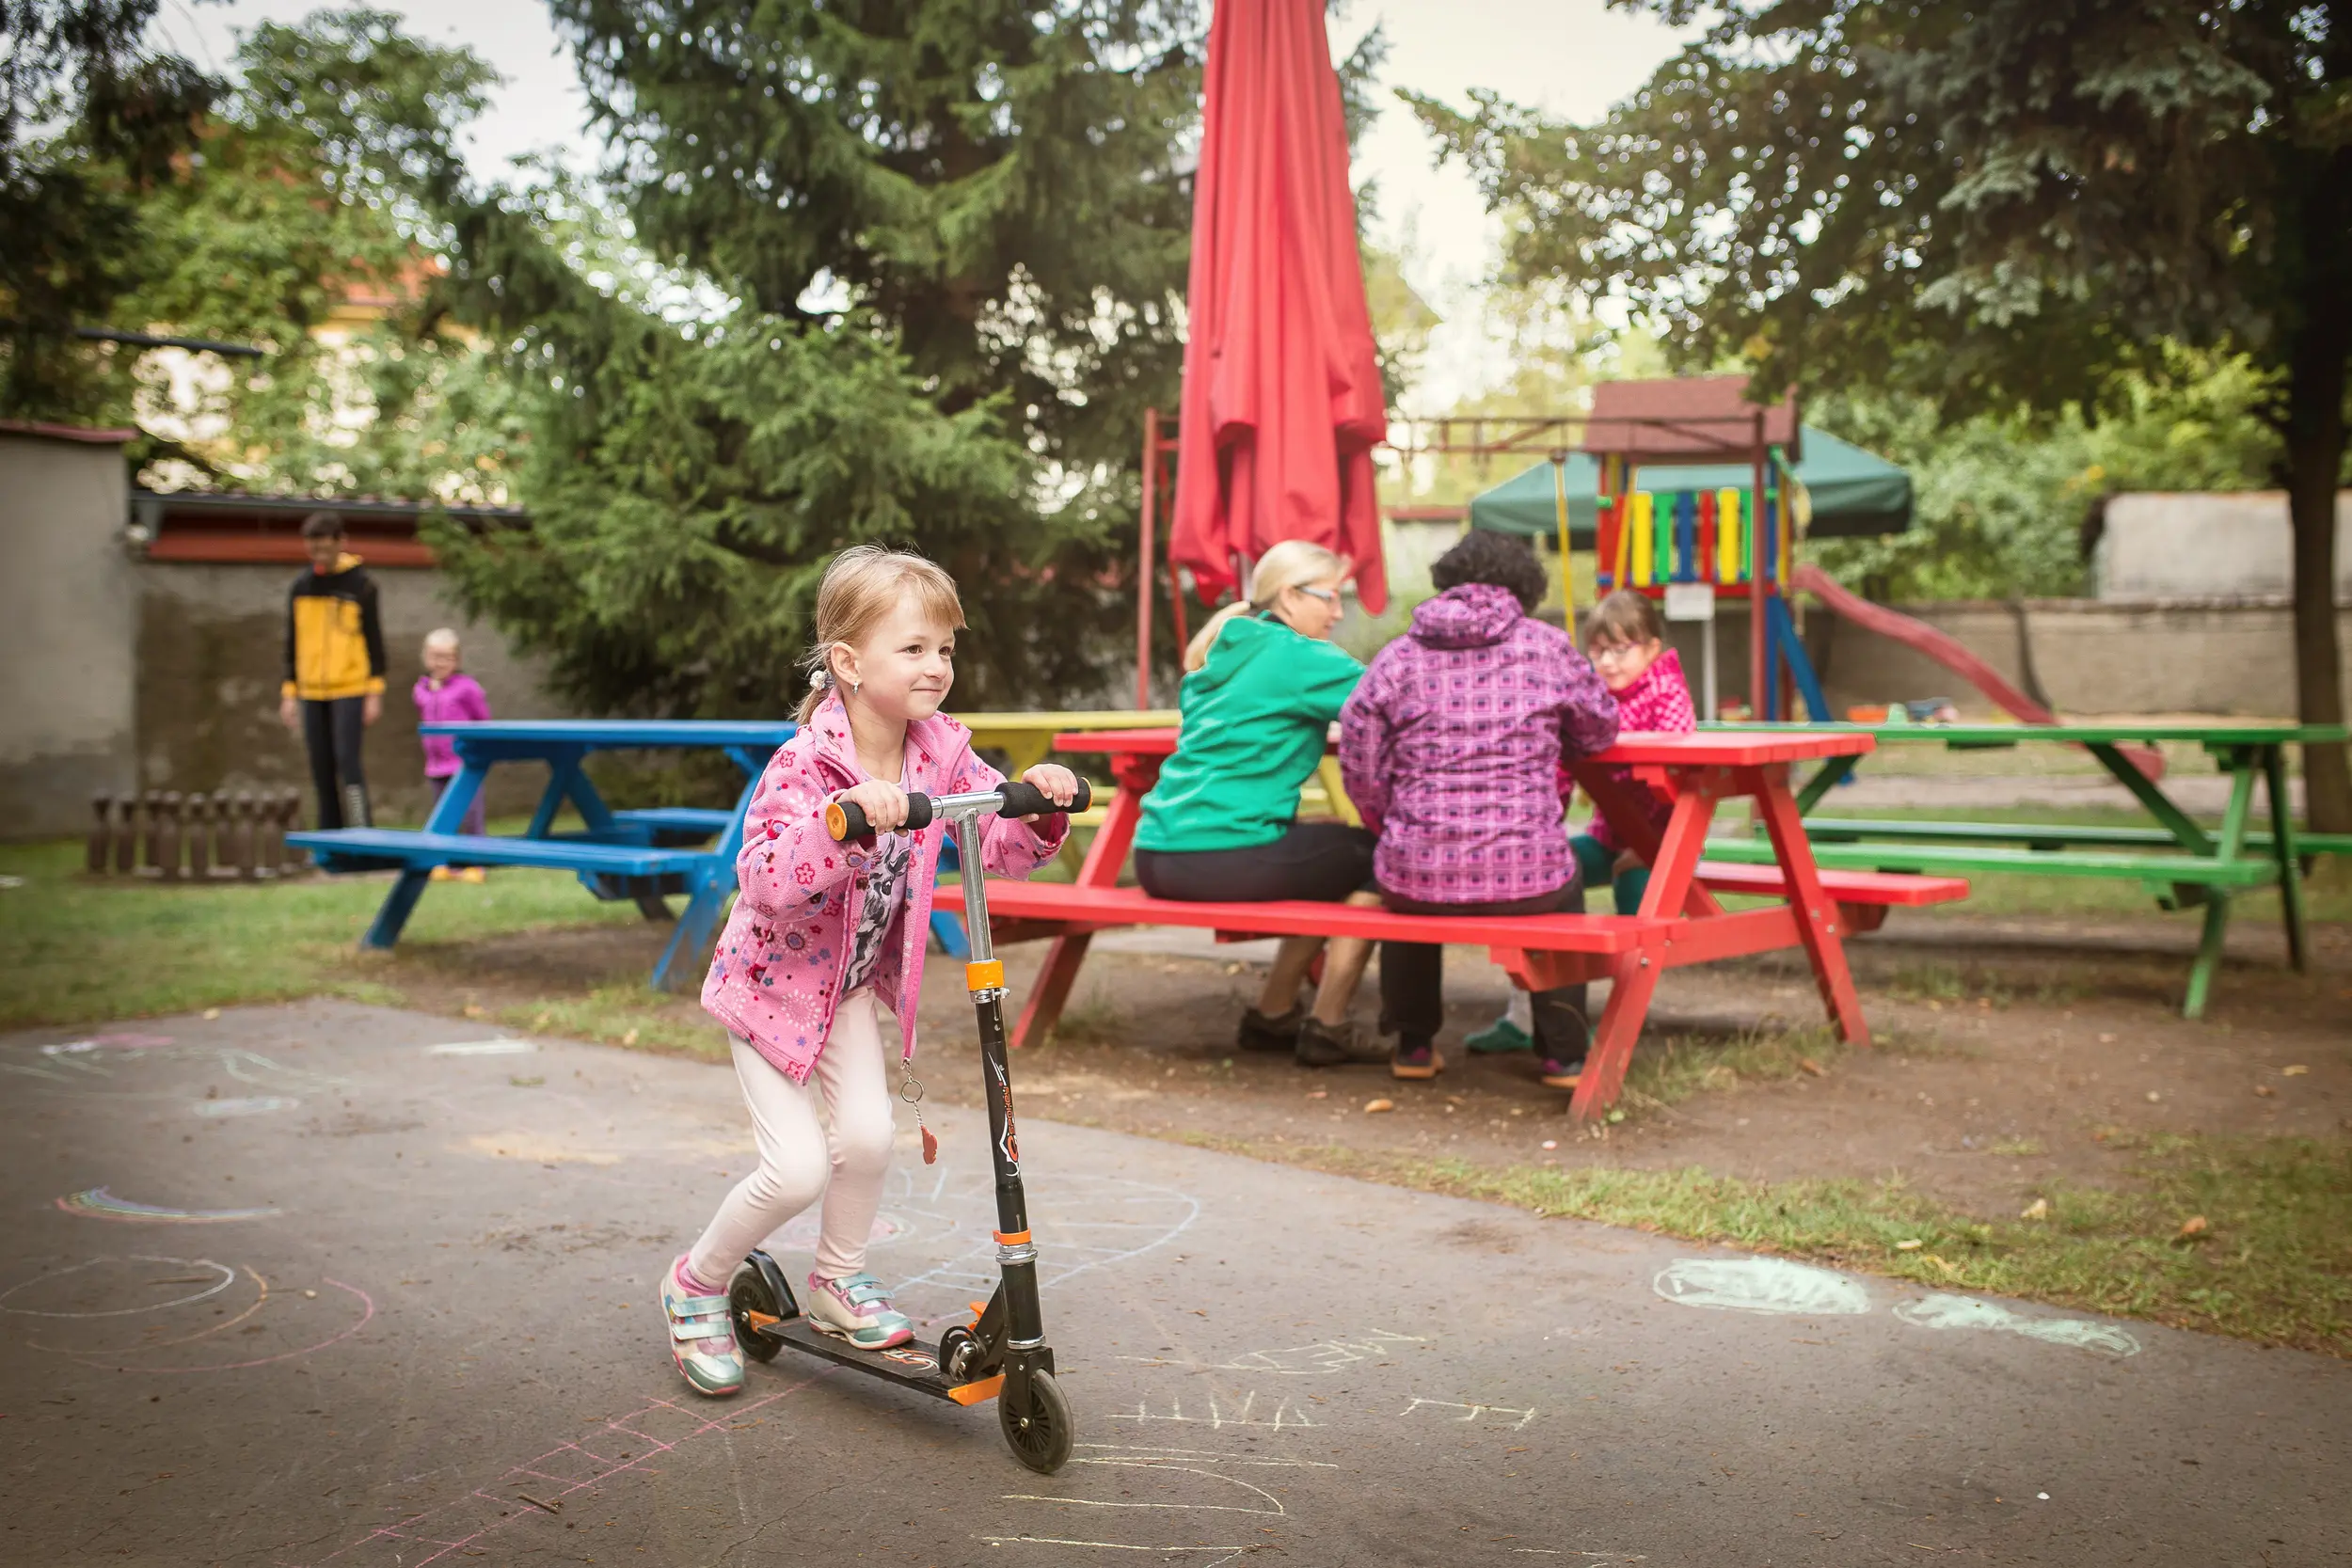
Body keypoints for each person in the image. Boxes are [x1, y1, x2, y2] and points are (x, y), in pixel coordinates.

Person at [660, 545, 1079, 1398]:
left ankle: (836, 1280)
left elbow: (991, 836)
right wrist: (842, 827)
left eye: (946, 650)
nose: (937, 667)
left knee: (867, 1138)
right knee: (799, 1169)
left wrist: (1037, 801)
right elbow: (766, 878)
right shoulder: (804, 765)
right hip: (769, 992)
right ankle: (696, 1284)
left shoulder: (944, 753)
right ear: (849, 663)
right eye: (915, 648)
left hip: (844, 988)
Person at [1339, 531, 1619, 1086]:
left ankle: (1414, 1046)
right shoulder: (1547, 647)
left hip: (1419, 867)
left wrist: (1388, 822)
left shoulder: (1398, 657)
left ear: (1447, 583)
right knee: (1566, 881)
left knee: (1401, 883)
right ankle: (1563, 1054)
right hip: (1527, 871)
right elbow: (1600, 728)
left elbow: (1357, 749)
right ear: (1524, 587)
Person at [1131, 540, 1384, 1068]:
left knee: (1327, 841)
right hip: (1218, 856)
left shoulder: (1226, 650)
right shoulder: (1299, 655)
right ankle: (1330, 1024)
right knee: (1382, 858)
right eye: (1330, 597)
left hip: (1158, 854)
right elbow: (1399, 699)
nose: (1339, 613)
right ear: (1289, 596)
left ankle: (1274, 1014)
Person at [1467, 589, 1697, 1055]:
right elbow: (1561, 765)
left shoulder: (1666, 691)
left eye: (1621, 648)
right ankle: (1523, 1015)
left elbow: (1679, 763)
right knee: (1537, 876)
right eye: (1598, 650)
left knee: (1637, 904)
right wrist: (1541, 827)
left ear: (1652, 649)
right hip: (1608, 836)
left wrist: (1652, 845)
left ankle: (1620, 1023)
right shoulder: (1588, 697)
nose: (1608, 662)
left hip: (1660, 842)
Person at [278, 511, 386, 830]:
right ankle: (330, 839)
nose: (319, 556)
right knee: (319, 768)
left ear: (341, 543)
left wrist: (374, 692)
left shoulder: (362, 586)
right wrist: (289, 693)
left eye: (325, 548)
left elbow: (375, 642)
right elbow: (291, 643)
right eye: (313, 550)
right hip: (311, 691)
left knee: (347, 763)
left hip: (351, 689)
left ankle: (362, 832)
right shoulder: (301, 587)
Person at [413, 628, 491, 882]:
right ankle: (444, 863)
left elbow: (483, 719)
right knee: (443, 817)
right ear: (426, 658)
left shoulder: (467, 688)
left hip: (464, 765)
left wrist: (477, 750)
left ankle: (476, 864)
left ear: (456, 660)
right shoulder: (422, 690)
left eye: (446, 657)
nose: (440, 662)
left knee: (471, 815)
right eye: (435, 656)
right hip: (436, 765)